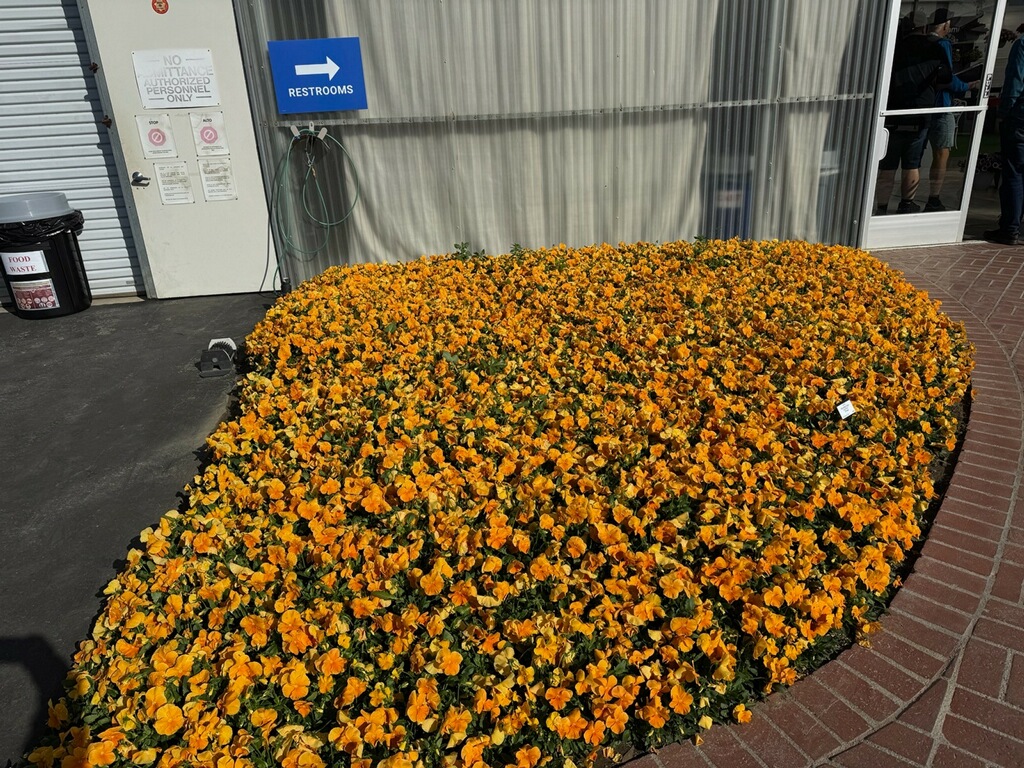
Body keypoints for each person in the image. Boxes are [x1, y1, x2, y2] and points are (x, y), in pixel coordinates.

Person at [875, 13, 952, 214]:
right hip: (920, 110)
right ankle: (906, 204)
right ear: (925, 28)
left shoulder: (894, 47)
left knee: (888, 164)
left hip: (893, 109)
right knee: (912, 162)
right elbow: (946, 78)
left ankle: (881, 207)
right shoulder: (934, 48)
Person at [924, 10, 980, 212]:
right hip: (940, 106)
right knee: (942, 154)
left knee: (912, 157)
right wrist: (968, 86)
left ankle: (905, 200)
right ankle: (934, 198)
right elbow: (947, 77)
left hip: (920, 105)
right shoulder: (942, 44)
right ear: (946, 25)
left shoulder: (919, 43)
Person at [984, 25, 1024, 244]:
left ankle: (1009, 227)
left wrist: (1004, 113)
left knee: (1014, 172)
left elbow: (1015, 82)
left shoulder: (1022, 45)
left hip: (1019, 118)